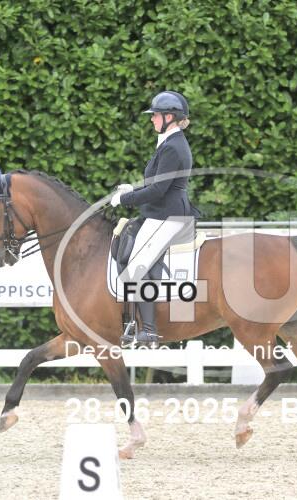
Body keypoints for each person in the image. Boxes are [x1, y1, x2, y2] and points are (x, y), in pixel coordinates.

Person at [110, 90, 198, 346]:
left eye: (156, 115)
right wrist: (132, 189)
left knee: (137, 263)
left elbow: (158, 190)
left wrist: (125, 200)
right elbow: (158, 183)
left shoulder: (173, 147)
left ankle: (148, 330)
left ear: (169, 117)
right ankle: (132, 321)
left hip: (168, 215)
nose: (152, 119)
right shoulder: (169, 143)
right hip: (161, 211)